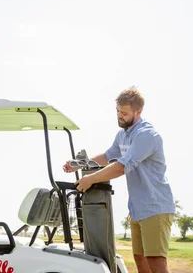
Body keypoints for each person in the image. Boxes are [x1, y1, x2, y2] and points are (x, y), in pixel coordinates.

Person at [63, 87, 175, 273]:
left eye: (124, 113)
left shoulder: (147, 135)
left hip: (155, 207)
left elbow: (121, 166)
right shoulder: (123, 135)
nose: (119, 116)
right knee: (140, 260)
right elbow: (107, 156)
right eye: (117, 111)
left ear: (138, 112)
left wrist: (90, 179)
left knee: (155, 261)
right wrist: (78, 164)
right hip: (137, 209)